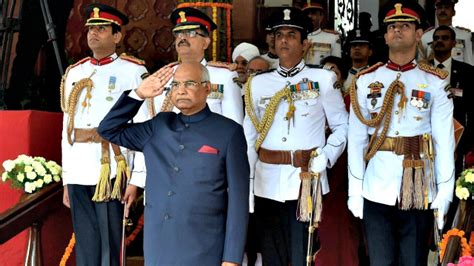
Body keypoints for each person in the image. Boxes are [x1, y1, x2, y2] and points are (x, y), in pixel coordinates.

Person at [97, 62, 249, 265]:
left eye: (189, 83)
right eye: (175, 85)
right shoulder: (159, 126)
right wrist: (138, 94)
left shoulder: (228, 132)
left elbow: (239, 201)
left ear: (207, 88)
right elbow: (108, 130)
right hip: (158, 244)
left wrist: (231, 258)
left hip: (204, 246)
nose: (181, 90)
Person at [348, 1, 455, 265]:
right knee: (380, 261)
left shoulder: (435, 81)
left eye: (405, 26)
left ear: (419, 34)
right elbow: (357, 139)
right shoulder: (365, 80)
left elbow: (444, 140)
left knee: (413, 261)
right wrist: (355, 190)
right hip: (376, 186)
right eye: (392, 26)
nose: (397, 31)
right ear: (385, 36)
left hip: (418, 185)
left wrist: (445, 192)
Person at [244, 7, 348, 266]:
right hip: (266, 179)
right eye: (279, 35)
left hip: (305, 180)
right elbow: (250, 136)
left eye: (291, 35)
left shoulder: (322, 79)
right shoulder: (258, 83)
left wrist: (326, 156)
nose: (284, 40)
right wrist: (247, 181)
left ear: (305, 43)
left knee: (303, 254)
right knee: (271, 255)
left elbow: (342, 127)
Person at [60, 4, 148, 266]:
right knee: (86, 241)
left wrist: (138, 179)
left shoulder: (132, 71)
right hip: (79, 168)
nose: (93, 34)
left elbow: (143, 127)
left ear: (117, 36)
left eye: (101, 29)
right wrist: (67, 177)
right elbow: (67, 127)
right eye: (90, 29)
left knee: (111, 241)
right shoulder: (75, 72)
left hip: (112, 166)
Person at [151, 7, 243, 125]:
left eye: (191, 33)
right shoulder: (164, 75)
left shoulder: (225, 76)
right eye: (178, 34)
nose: (183, 38)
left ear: (205, 42)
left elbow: (234, 124)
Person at [431, 25, 473, 172]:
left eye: (445, 38)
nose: (439, 41)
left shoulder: (468, 72)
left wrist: (468, 142)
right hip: (426, 137)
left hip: (457, 138)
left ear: (454, 43)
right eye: (436, 38)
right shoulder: (421, 70)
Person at [421, 0, 473, 65]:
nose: (443, 10)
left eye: (447, 7)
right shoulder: (426, 36)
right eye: (439, 8)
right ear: (436, 12)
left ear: (453, 12)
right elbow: (421, 63)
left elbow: (469, 62)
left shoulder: (464, 35)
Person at [302, 0, 342, 66]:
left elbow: (336, 65)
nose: (309, 16)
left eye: (313, 13)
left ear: (321, 16)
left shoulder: (332, 38)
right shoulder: (296, 37)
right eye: (307, 14)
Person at [343, 30, 373, 96]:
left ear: (370, 52)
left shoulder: (375, 75)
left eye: (361, 45)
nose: (357, 48)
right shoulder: (342, 76)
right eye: (354, 45)